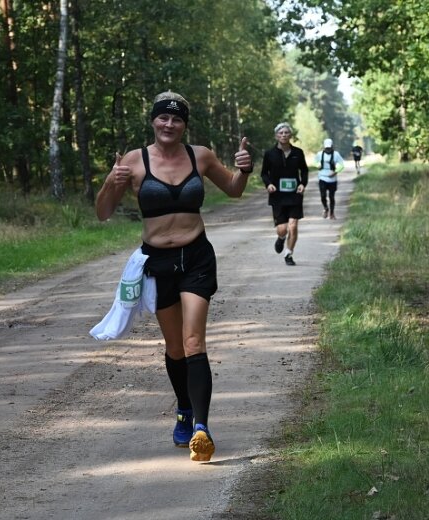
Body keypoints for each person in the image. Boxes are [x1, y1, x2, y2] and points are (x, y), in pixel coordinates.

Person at [95, 91, 253, 462]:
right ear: (153, 121)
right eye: (163, 118)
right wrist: (111, 182)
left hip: (196, 256)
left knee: (194, 340)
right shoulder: (133, 161)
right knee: (176, 348)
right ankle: (184, 406)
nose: (169, 125)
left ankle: (202, 427)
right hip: (158, 263)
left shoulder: (201, 155)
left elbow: (233, 190)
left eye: (177, 119)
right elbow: (103, 212)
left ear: (185, 124)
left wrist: (244, 169)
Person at [260, 122, 308, 266]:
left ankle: (289, 254)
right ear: (276, 135)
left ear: (290, 135)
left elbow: (304, 171)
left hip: (295, 194)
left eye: (286, 133)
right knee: (282, 229)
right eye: (281, 133)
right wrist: (269, 184)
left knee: (293, 226)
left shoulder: (298, 153)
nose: (284, 135)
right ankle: (281, 238)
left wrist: (302, 184)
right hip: (278, 196)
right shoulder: (270, 154)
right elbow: (264, 173)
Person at [315, 138, 345, 220]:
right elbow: (315, 161)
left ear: (332, 147)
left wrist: (335, 172)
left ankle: (332, 213)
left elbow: (341, 164)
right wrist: (318, 165)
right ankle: (325, 208)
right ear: (324, 147)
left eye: (329, 148)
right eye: (326, 148)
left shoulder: (336, 154)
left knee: (332, 196)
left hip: (332, 178)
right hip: (322, 177)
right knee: (323, 195)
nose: (328, 149)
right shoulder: (319, 154)